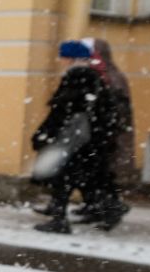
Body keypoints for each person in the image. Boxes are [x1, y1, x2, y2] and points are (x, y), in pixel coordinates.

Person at [31, 37, 134, 233]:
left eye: (63, 57)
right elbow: (104, 110)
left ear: (70, 58)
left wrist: (44, 132)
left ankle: (60, 220)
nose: (61, 61)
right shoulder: (95, 76)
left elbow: (63, 110)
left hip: (76, 139)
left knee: (65, 178)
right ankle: (108, 208)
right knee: (88, 177)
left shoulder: (78, 75)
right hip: (91, 139)